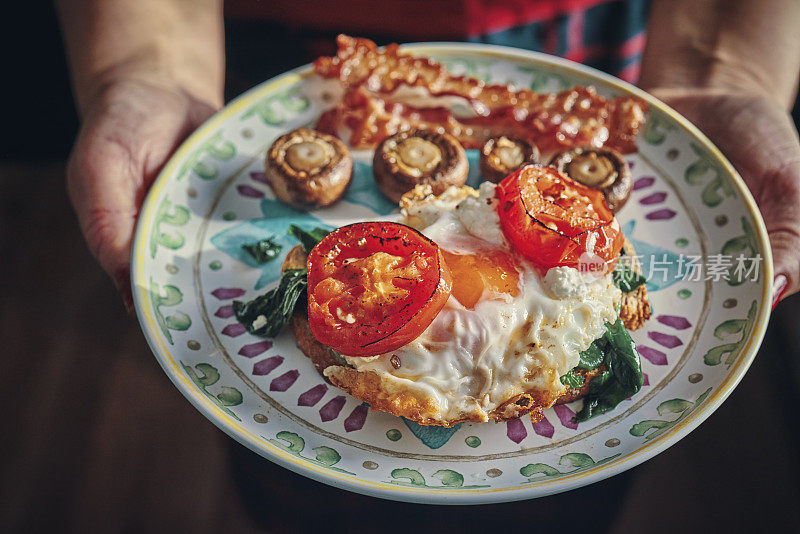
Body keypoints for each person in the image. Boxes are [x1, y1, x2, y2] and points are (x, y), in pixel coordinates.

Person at [56, 0, 800, 311]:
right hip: (265, 51)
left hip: (581, 33)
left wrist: (724, 76)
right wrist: (148, 66)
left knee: (569, 487)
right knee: (287, 470)